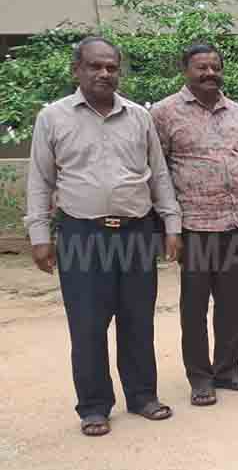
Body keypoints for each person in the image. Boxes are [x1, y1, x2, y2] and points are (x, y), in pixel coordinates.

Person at [25, 37, 181, 436]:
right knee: (87, 324)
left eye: (111, 67)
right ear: (76, 70)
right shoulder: (53, 118)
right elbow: (40, 180)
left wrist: (172, 225)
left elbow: (159, 175)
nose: (104, 73)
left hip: (136, 232)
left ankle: (143, 396)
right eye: (95, 66)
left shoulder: (138, 117)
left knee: (137, 319)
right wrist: (39, 234)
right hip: (81, 233)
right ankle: (94, 406)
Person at [152, 43, 238, 407]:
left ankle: (227, 370)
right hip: (195, 227)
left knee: (235, 305)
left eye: (215, 67)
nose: (210, 73)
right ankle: (200, 378)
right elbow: (158, 173)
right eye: (201, 67)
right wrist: (169, 228)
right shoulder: (164, 112)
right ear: (186, 70)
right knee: (195, 309)